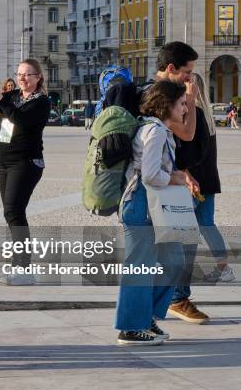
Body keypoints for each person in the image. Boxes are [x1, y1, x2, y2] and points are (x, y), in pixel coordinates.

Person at [115, 80, 193, 346]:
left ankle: (145, 316)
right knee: (139, 265)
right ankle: (130, 327)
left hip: (149, 204)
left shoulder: (160, 130)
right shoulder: (156, 131)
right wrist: (175, 178)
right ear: (166, 105)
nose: (185, 109)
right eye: (182, 104)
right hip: (139, 204)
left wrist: (174, 175)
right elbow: (148, 174)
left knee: (174, 261)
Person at [167, 73, 236, 325]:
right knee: (204, 227)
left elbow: (186, 152)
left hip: (191, 183)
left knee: (182, 240)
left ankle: (175, 295)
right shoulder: (206, 113)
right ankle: (222, 267)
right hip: (207, 181)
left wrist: (184, 174)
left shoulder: (190, 113)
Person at [0, 59, 50, 286]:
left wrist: (0, 97)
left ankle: (24, 268)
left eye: (27, 75)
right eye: (19, 74)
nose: (22, 78)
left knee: (14, 212)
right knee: (11, 213)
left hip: (26, 162)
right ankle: (17, 264)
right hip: (4, 162)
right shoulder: (15, 96)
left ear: (38, 77)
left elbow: (21, 120)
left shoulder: (41, 102)